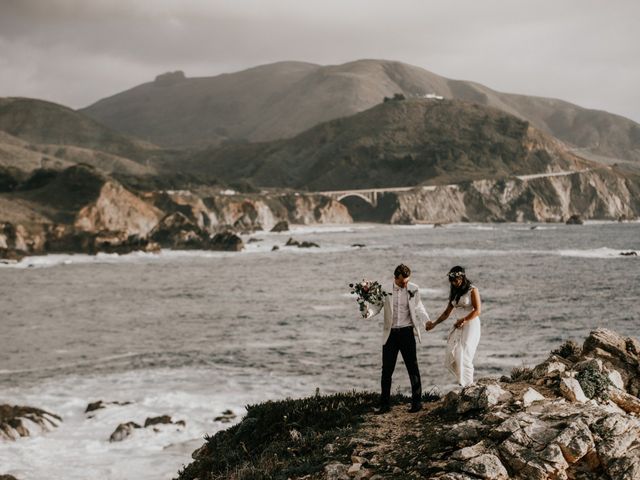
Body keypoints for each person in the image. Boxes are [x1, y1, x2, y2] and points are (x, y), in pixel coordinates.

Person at [366, 264, 431, 413]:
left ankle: (417, 403)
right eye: (402, 282)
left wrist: (426, 320)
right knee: (387, 371)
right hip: (391, 334)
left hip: (408, 332)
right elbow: (376, 307)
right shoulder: (384, 289)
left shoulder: (414, 288)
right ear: (395, 278)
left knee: (413, 367)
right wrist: (367, 313)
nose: (405, 284)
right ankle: (384, 405)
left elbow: (419, 306)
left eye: (407, 281)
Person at [426, 266, 481, 387]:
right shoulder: (455, 292)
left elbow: (477, 310)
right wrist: (434, 324)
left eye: (456, 280)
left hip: (471, 324)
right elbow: (447, 312)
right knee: (456, 353)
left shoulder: (472, 290)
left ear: (462, 278)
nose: (454, 283)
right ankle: (463, 383)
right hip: (458, 325)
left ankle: (469, 385)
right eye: (452, 281)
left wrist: (465, 319)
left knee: (466, 354)